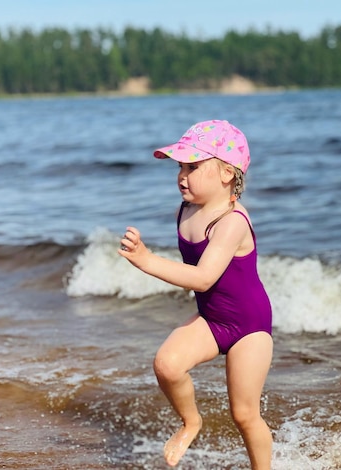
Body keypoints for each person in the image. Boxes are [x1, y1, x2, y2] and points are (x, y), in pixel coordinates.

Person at [118, 119, 273, 469]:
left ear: (226, 174)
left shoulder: (232, 221)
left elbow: (203, 278)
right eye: (180, 167)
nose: (182, 175)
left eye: (192, 166)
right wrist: (146, 255)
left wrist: (146, 260)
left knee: (245, 414)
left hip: (250, 326)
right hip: (213, 319)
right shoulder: (185, 211)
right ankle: (191, 421)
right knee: (167, 365)